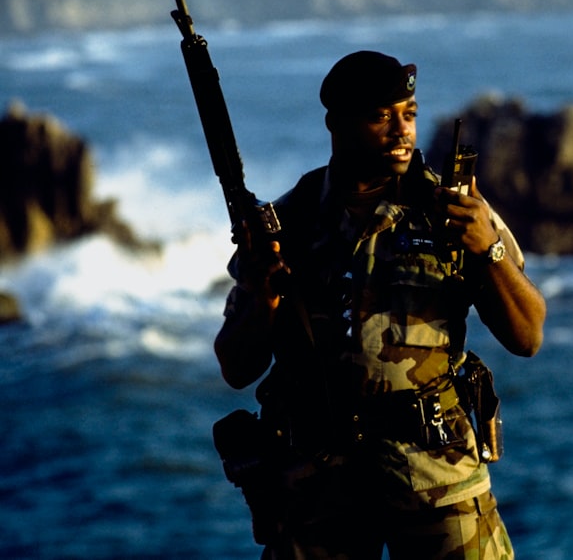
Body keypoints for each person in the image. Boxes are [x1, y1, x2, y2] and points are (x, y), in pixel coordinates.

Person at [213, 50, 546, 559]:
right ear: (336, 124)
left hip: (436, 470)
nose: (401, 131)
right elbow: (236, 367)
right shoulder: (291, 223)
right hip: (319, 478)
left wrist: (489, 251)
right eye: (380, 117)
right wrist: (263, 295)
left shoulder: (453, 211)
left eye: (408, 114)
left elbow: (528, 336)